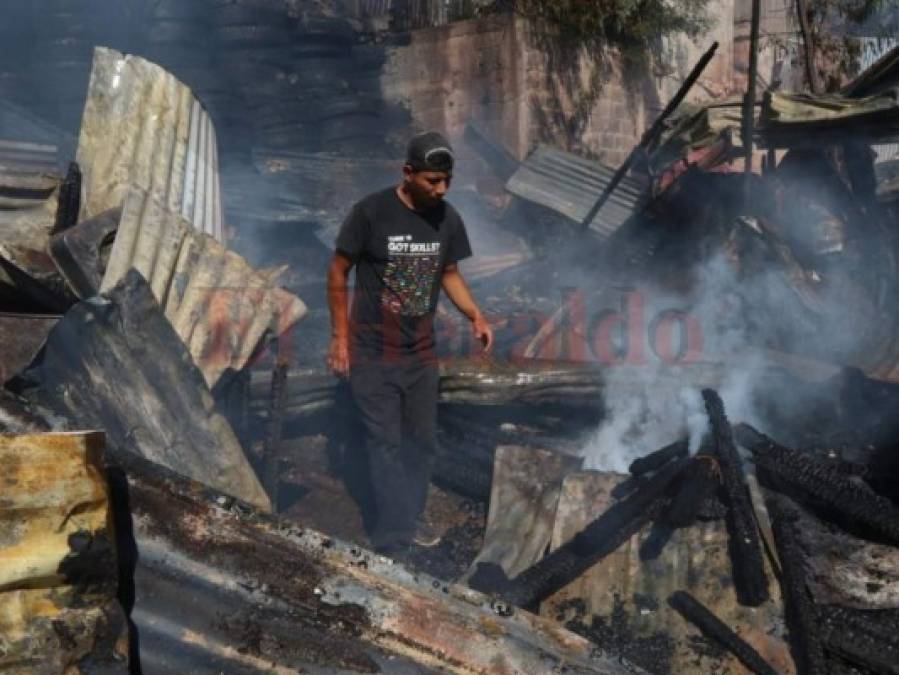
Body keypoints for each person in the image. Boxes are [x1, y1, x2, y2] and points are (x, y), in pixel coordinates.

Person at [327, 131, 493, 554]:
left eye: (446, 181)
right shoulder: (371, 213)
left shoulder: (446, 218)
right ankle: (393, 539)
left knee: (421, 443)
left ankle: (410, 518)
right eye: (432, 181)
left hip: (420, 355)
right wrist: (339, 339)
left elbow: (449, 273)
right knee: (385, 444)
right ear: (408, 173)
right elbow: (337, 271)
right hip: (371, 352)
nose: (441, 190)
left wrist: (474, 314)